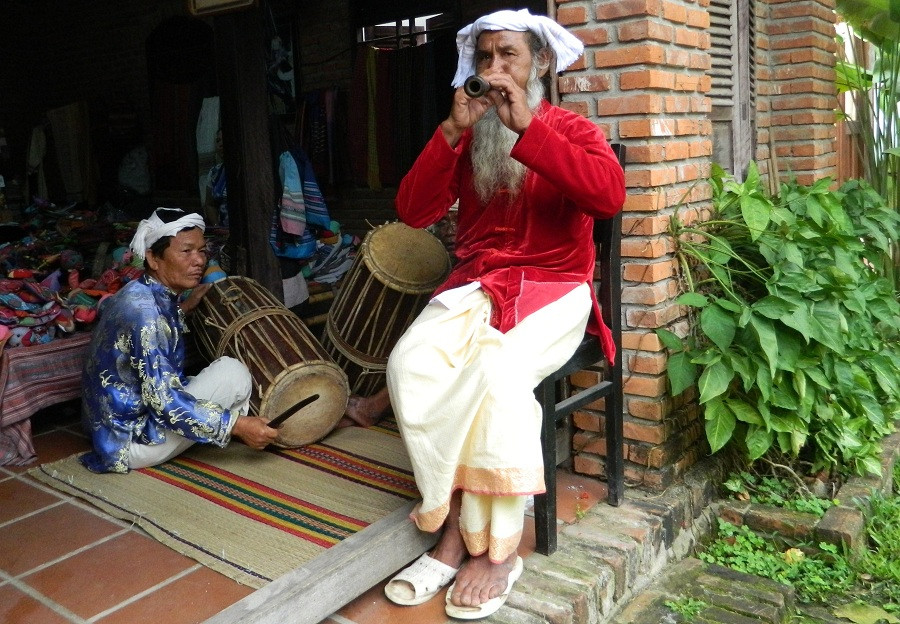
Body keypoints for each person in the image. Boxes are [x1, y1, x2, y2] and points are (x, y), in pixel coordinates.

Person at [382, 9, 625, 620]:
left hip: (554, 288)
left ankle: (492, 549)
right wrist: (449, 132)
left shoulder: (571, 129)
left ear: (538, 63)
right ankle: (454, 512)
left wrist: (529, 129)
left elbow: (608, 196)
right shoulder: (468, 134)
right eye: (485, 58)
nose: (495, 71)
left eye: (508, 56)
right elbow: (412, 212)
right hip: (478, 286)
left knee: (496, 375)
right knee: (409, 364)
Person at [80, 207, 278, 473]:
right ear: (153, 258)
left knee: (229, 371)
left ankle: (208, 431)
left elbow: (151, 335)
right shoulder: (143, 313)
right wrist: (237, 425)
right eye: (186, 251)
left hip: (113, 425)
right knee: (234, 375)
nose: (198, 261)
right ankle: (231, 432)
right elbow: (164, 401)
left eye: (202, 251)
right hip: (127, 442)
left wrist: (183, 309)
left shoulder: (142, 292)